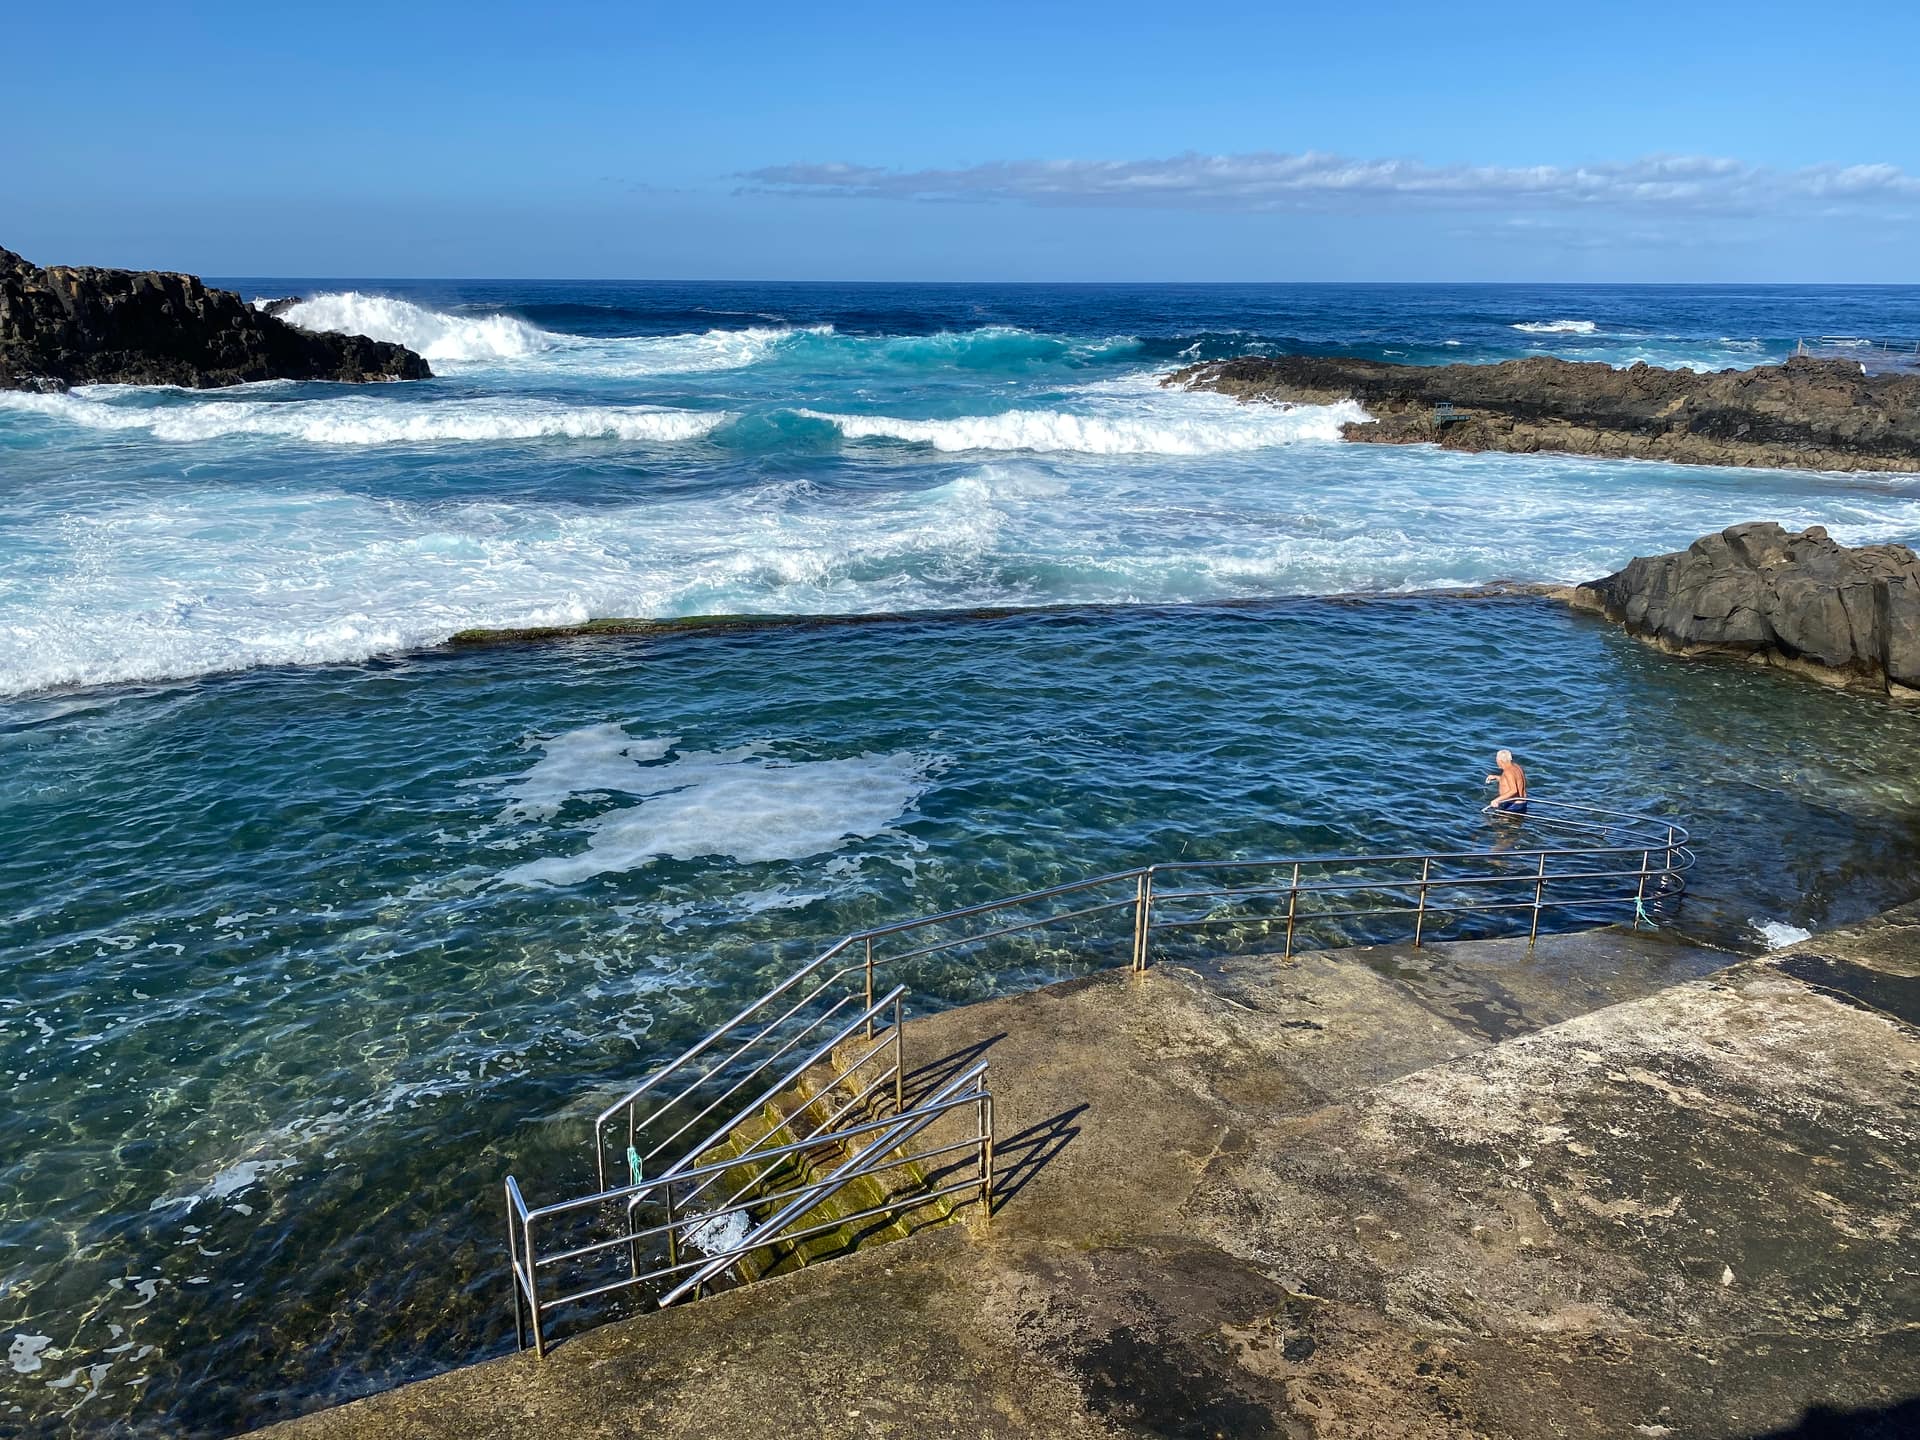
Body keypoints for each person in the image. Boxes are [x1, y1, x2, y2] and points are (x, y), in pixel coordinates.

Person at [1486, 749, 1528, 814]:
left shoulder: (1508, 772)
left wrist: (1496, 800)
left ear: (1500, 761)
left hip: (1513, 805)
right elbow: (1514, 781)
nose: (1496, 762)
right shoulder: (1516, 767)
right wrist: (1496, 777)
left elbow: (1514, 790)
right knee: (1517, 823)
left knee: (1493, 822)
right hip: (1522, 803)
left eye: (1496, 759)